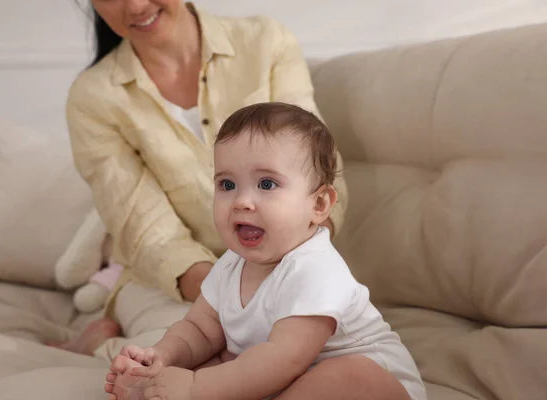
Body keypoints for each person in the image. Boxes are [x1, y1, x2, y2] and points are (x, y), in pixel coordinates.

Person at [57, 0, 349, 362]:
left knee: (297, 361)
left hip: (288, 269)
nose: (134, 5)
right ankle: (100, 341)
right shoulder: (93, 97)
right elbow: (148, 231)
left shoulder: (265, 42)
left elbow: (319, 171)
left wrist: (283, 279)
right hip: (168, 284)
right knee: (189, 357)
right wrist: (231, 294)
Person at [105, 102, 427, 400]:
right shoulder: (231, 264)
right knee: (218, 358)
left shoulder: (315, 269)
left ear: (318, 204)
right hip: (279, 377)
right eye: (227, 185)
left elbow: (282, 360)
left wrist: (193, 388)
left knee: (348, 376)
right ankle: (150, 386)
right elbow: (199, 329)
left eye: (267, 184)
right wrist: (162, 355)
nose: (242, 201)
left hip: (378, 388)